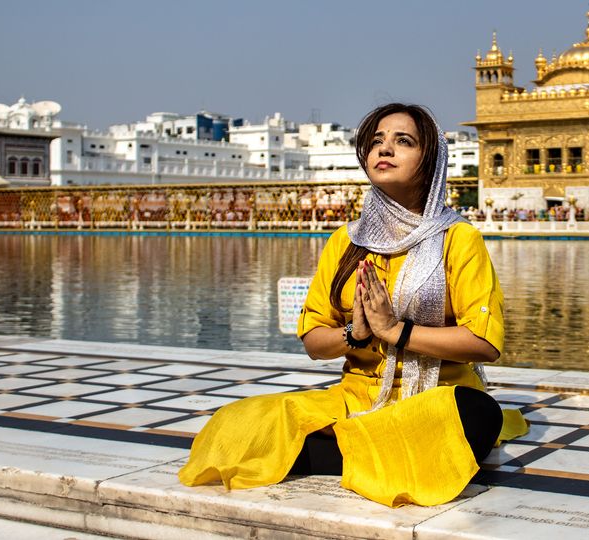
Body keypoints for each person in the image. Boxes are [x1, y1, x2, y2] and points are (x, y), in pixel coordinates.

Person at [178, 103, 528, 508]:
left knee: (477, 415)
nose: (385, 149)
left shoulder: (458, 239)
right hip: (358, 396)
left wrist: (397, 332)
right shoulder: (347, 242)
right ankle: (375, 447)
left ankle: (346, 446)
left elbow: (483, 343)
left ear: (430, 159)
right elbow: (313, 342)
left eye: (403, 141)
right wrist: (355, 334)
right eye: (376, 141)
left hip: (436, 397)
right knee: (235, 425)